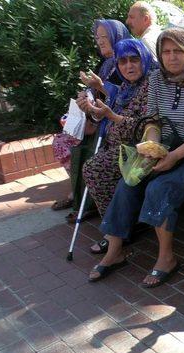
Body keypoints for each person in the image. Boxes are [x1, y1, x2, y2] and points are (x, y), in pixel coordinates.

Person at [89, 28, 184, 287]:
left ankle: (166, 258)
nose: (172, 57)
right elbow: (153, 120)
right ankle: (115, 250)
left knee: (160, 187)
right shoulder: (156, 79)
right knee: (128, 180)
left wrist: (174, 156)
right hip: (167, 148)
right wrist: (151, 143)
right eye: (166, 51)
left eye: (178, 51)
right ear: (160, 55)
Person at [51, 19, 131, 221]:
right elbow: (98, 95)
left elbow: (121, 99)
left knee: (86, 152)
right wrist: (84, 103)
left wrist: (94, 119)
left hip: (113, 123)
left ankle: (88, 201)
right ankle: (79, 194)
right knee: (62, 141)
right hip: (98, 120)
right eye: (98, 37)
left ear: (117, 36)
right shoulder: (105, 64)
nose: (100, 41)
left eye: (105, 37)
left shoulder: (129, 61)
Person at [79, 39, 155, 246]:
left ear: (145, 59)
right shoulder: (126, 86)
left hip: (138, 148)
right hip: (117, 144)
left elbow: (144, 128)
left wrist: (111, 117)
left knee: (94, 169)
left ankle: (116, 230)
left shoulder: (152, 85)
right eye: (122, 62)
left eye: (134, 60)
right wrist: (93, 110)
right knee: (93, 164)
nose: (128, 66)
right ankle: (118, 225)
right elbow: (109, 110)